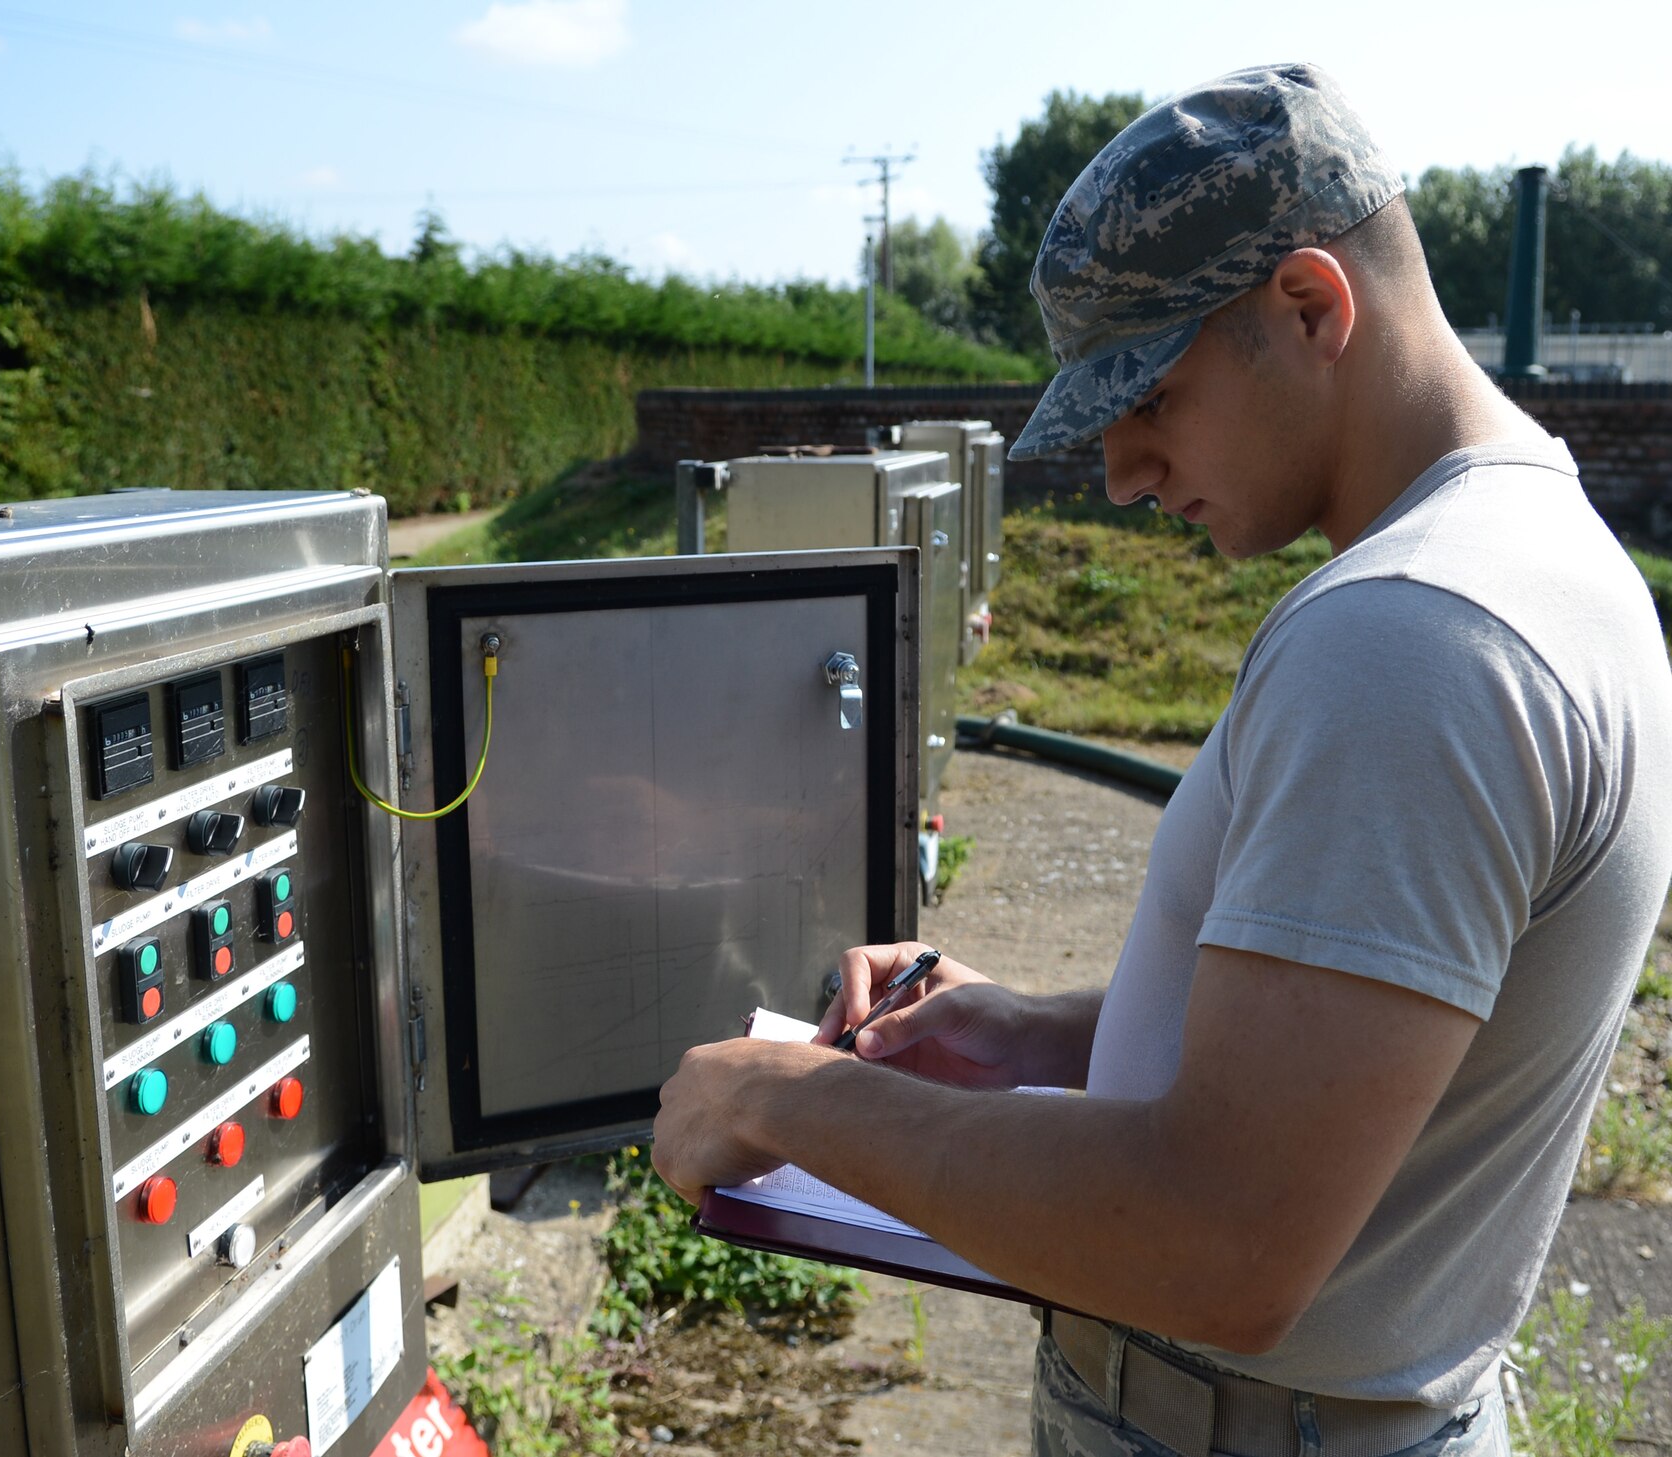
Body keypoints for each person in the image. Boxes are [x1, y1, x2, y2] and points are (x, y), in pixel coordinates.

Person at [652, 61, 1672, 1457]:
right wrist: (1037, 1031)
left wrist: (788, 1098)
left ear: (1310, 307)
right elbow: (1381, 1042)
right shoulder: (1543, 560)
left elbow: (1218, 1238)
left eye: (1154, 400)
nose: (1125, 473)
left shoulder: (1408, 640)